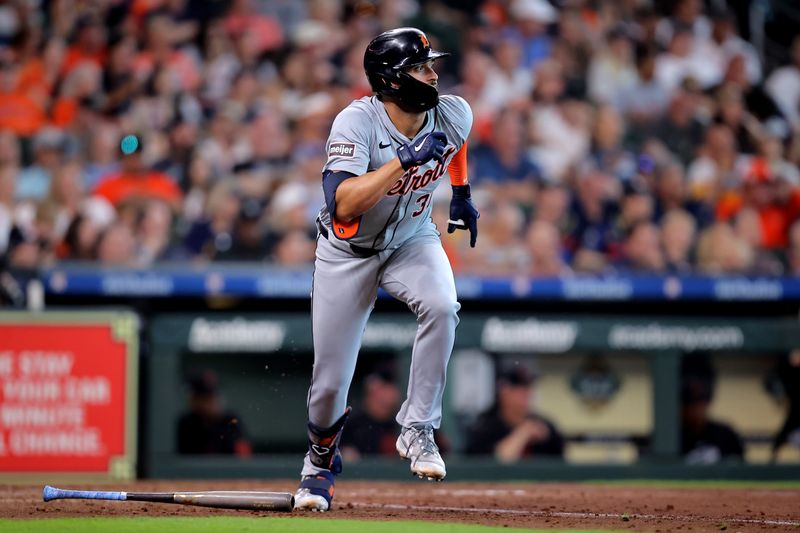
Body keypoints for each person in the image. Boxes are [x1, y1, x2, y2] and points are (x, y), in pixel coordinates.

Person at [292, 28, 478, 512]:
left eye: (431, 65)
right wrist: (401, 161)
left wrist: (461, 193)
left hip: (412, 238)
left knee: (442, 305)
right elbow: (343, 202)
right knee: (330, 382)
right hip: (348, 253)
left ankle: (418, 428)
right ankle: (318, 466)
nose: (433, 74)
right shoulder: (355, 122)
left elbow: (455, 144)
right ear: (392, 80)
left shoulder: (454, 111)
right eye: (421, 67)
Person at [465, 365, 563, 461]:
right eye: (520, 387)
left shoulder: (544, 425)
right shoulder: (485, 427)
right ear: (504, 392)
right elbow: (498, 461)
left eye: (529, 386)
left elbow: (560, 466)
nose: (528, 392)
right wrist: (523, 433)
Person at [681, 354, 744, 464]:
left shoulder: (726, 436)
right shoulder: (668, 441)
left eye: (701, 397)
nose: (697, 408)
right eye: (691, 399)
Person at [177, 370, 252, 457]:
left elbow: (244, 457)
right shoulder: (186, 423)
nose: (207, 404)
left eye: (211, 397)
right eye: (202, 398)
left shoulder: (232, 420)